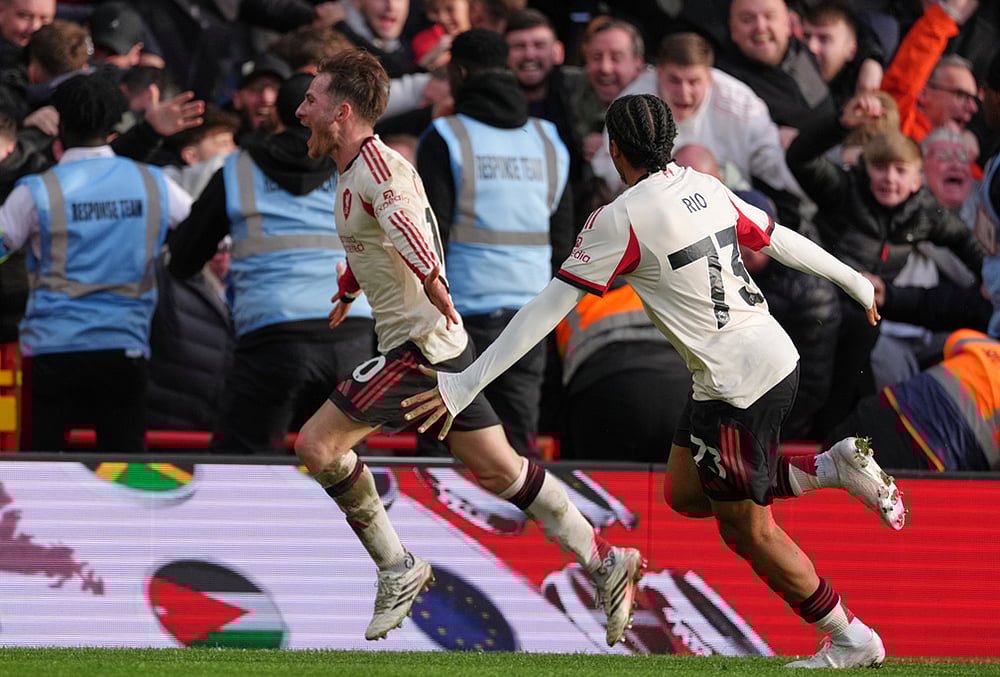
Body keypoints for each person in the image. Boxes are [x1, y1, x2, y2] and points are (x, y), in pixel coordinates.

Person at [403, 93, 906, 669]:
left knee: (748, 533)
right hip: (762, 360)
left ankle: (850, 637)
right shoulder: (703, 184)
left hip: (736, 388)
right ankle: (829, 470)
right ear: (668, 140)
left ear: (615, 149)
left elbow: (545, 311)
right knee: (685, 493)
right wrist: (857, 283)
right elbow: (776, 236)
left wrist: (465, 382)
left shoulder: (619, 218)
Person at [293, 48, 644, 645]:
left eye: (311, 99)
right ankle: (605, 560)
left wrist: (432, 278)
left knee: (318, 446)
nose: (300, 111)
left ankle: (397, 566)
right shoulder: (356, 171)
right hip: (443, 345)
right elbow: (377, 237)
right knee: (501, 468)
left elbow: (407, 226)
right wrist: (351, 285)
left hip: (419, 348)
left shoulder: (377, 169)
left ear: (341, 111)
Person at [169, 72, 375, 454]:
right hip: (353, 334)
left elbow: (183, 259)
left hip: (272, 336)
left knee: (244, 465)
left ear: (283, 116)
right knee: (350, 470)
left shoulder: (236, 171)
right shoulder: (363, 167)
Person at [0, 73, 192, 452]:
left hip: (51, 351)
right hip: (125, 348)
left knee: (43, 477)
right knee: (124, 475)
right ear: (114, 126)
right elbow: (205, 234)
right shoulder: (154, 183)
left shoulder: (38, 190)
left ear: (62, 127)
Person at [416, 28, 571, 457]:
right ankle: (524, 524)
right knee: (517, 445)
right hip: (532, 316)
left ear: (459, 72)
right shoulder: (549, 139)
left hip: (460, 316)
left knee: (442, 440)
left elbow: (430, 237)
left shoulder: (445, 137)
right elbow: (563, 239)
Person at [828, 329, 999, 472]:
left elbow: (955, 342)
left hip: (881, 410)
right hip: (925, 458)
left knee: (815, 477)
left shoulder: (986, 346)